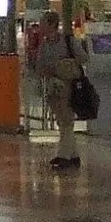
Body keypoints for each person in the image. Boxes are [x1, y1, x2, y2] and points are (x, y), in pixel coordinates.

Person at [33, 11, 87, 169]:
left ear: (51, 24)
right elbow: (40, 65)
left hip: (68, 85)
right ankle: (73, 155)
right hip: (53, 86)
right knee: (62, 121)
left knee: (66, 121)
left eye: (43, 23)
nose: (40, 26)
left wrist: (66, 65)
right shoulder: (45, 44)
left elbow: (83, 57)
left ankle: (64, 155)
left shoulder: (68, 41)